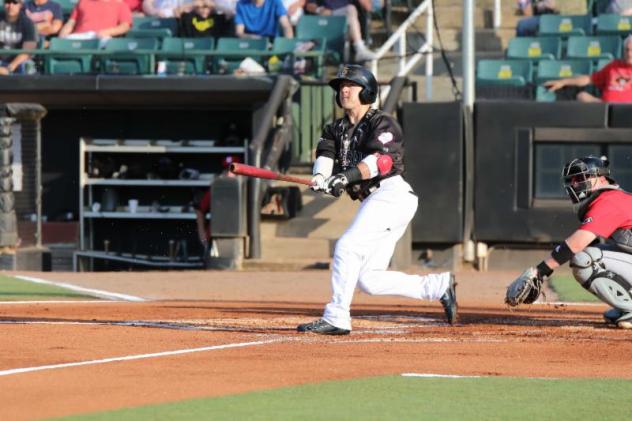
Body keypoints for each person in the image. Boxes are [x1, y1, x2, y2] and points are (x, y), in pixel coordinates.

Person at [296, 65, 458, 335]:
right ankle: (438, 286)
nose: (344, 90)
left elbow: (382, 162)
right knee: (369, 279)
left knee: (347, 247)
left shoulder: (383, 123)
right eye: (340, 86)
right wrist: (322, 178)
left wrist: (345, 177)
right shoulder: (334, 129)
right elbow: (324, 157)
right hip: (376, 201)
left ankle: (337, 316)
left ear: (367, 90)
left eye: (351, 85)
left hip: (391, 195)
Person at [510, 155, 632, 329]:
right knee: (591, 250)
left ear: (601, 177)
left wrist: (540, 271)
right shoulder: (613, 198)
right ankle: (626, 306)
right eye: (572, 180)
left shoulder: (609, 200)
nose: (575, 184)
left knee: (585, 259)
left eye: (581, 178)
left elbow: (577, 243)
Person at [544, 35, 632, 103]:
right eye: (627, 50)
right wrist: (563, 82)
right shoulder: (613, 66)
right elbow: (588, 79)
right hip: (604, 108)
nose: (629, 53)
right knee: (582, 96)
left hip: (627, 111)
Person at [305, 0, 376, 62]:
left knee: (351, 9)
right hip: (326, 20)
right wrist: (319, 10)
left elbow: (368, 7)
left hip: (346, 19)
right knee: (350, 10)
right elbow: (309, 5)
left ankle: (360, 49)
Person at [59, 0, 133, 41]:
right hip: (80, 37)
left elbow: (125, 26)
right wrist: (61, 37)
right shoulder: (83, 2)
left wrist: (106, 32)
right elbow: (71, 23)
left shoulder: (120, 5)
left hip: (101, 38)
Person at [0, 0, 38, 75]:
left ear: (20, 5)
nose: (11, 6)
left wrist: (9, 68)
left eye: (15, 2)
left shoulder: (28, 23)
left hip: (19, 62)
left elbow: (28, 50)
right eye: (7, 2)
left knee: (28, 67)